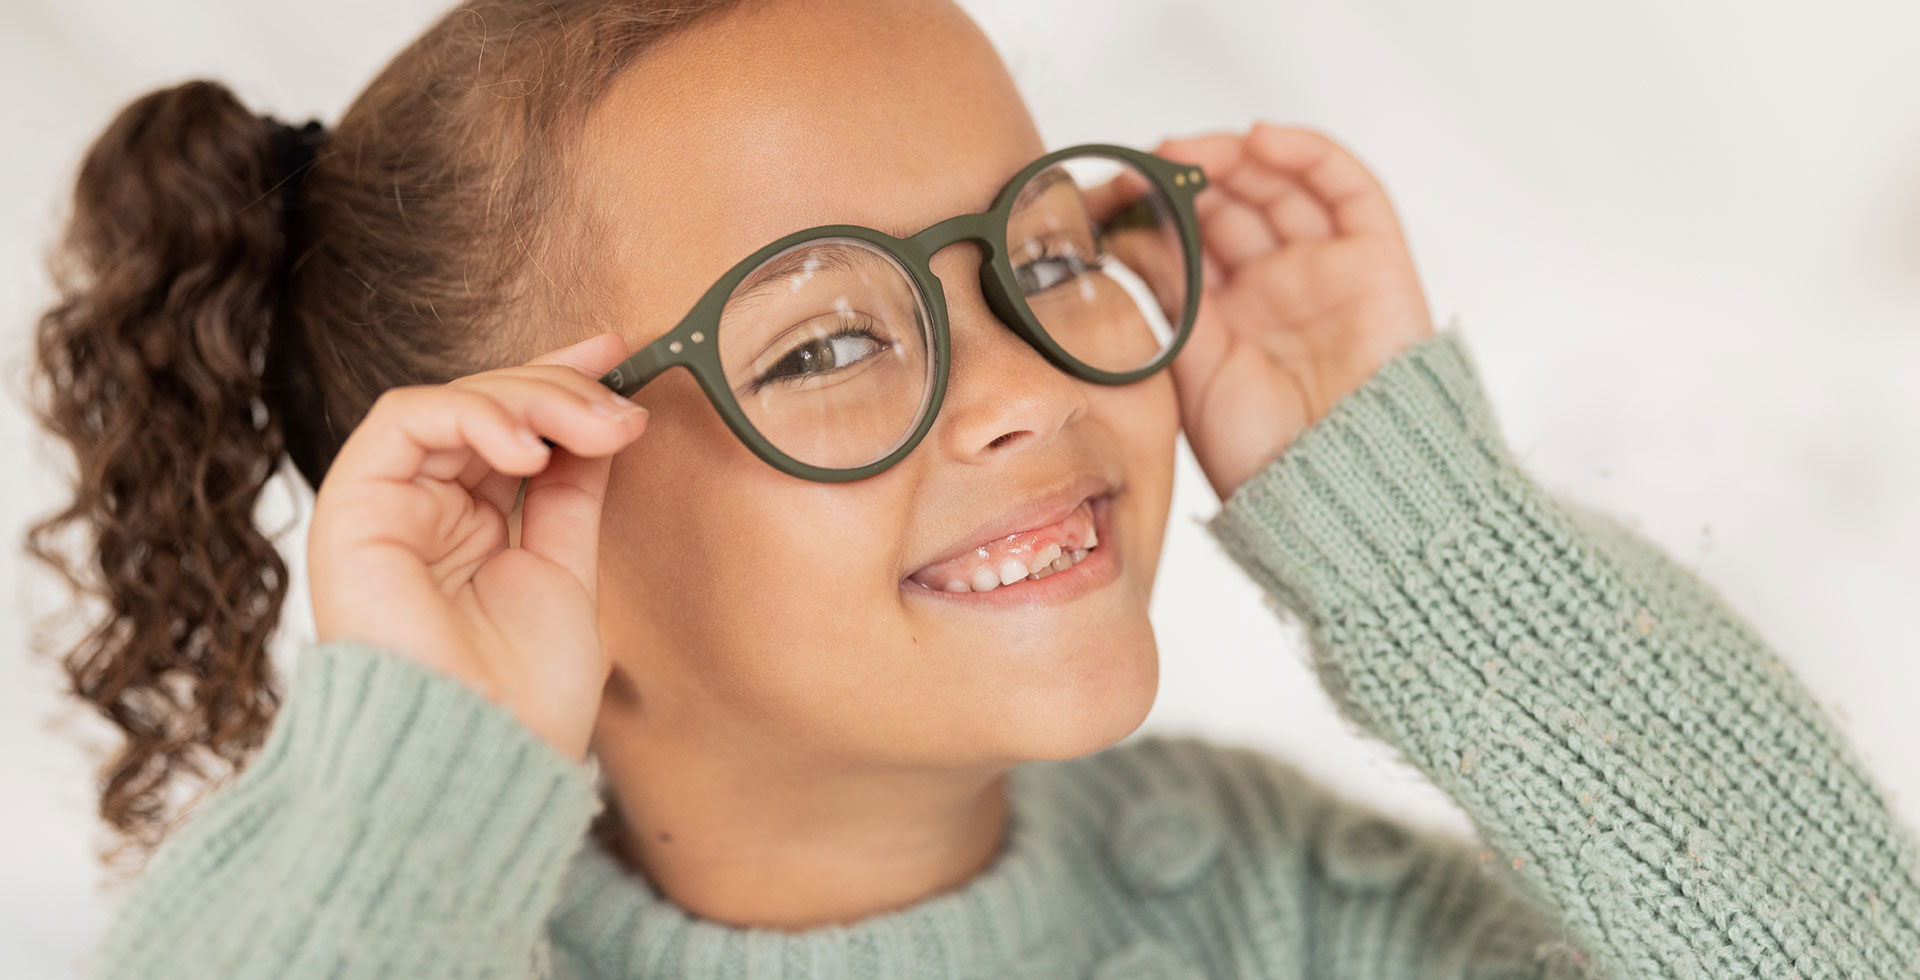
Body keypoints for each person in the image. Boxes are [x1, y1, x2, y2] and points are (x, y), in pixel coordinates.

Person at [24, 0, 1919, 977]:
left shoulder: (1281, 909)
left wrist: (1430, 532)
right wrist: (413, 755)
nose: (1022, 384)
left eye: (1035, 257)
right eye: (826, 343)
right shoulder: (385, 935)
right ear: (523, 493)